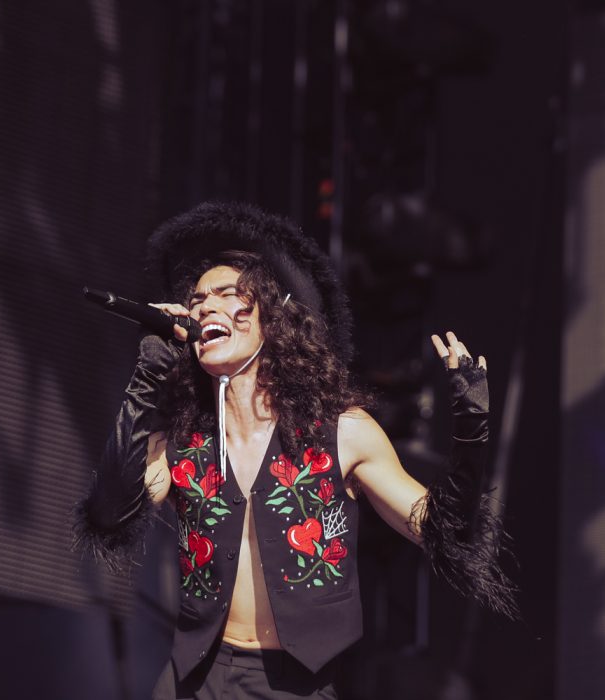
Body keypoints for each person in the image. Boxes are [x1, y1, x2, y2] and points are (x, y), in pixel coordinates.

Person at [74, 202, 516, 700]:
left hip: (292, 686)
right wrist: (147, 372)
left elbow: (444, 530)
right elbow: (109, 514)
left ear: (272, 318)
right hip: (195, 679)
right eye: (196, 300)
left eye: (226, 294)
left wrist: (471, 429)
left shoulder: (341, 432)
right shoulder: (180, 441)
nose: (204, 307)